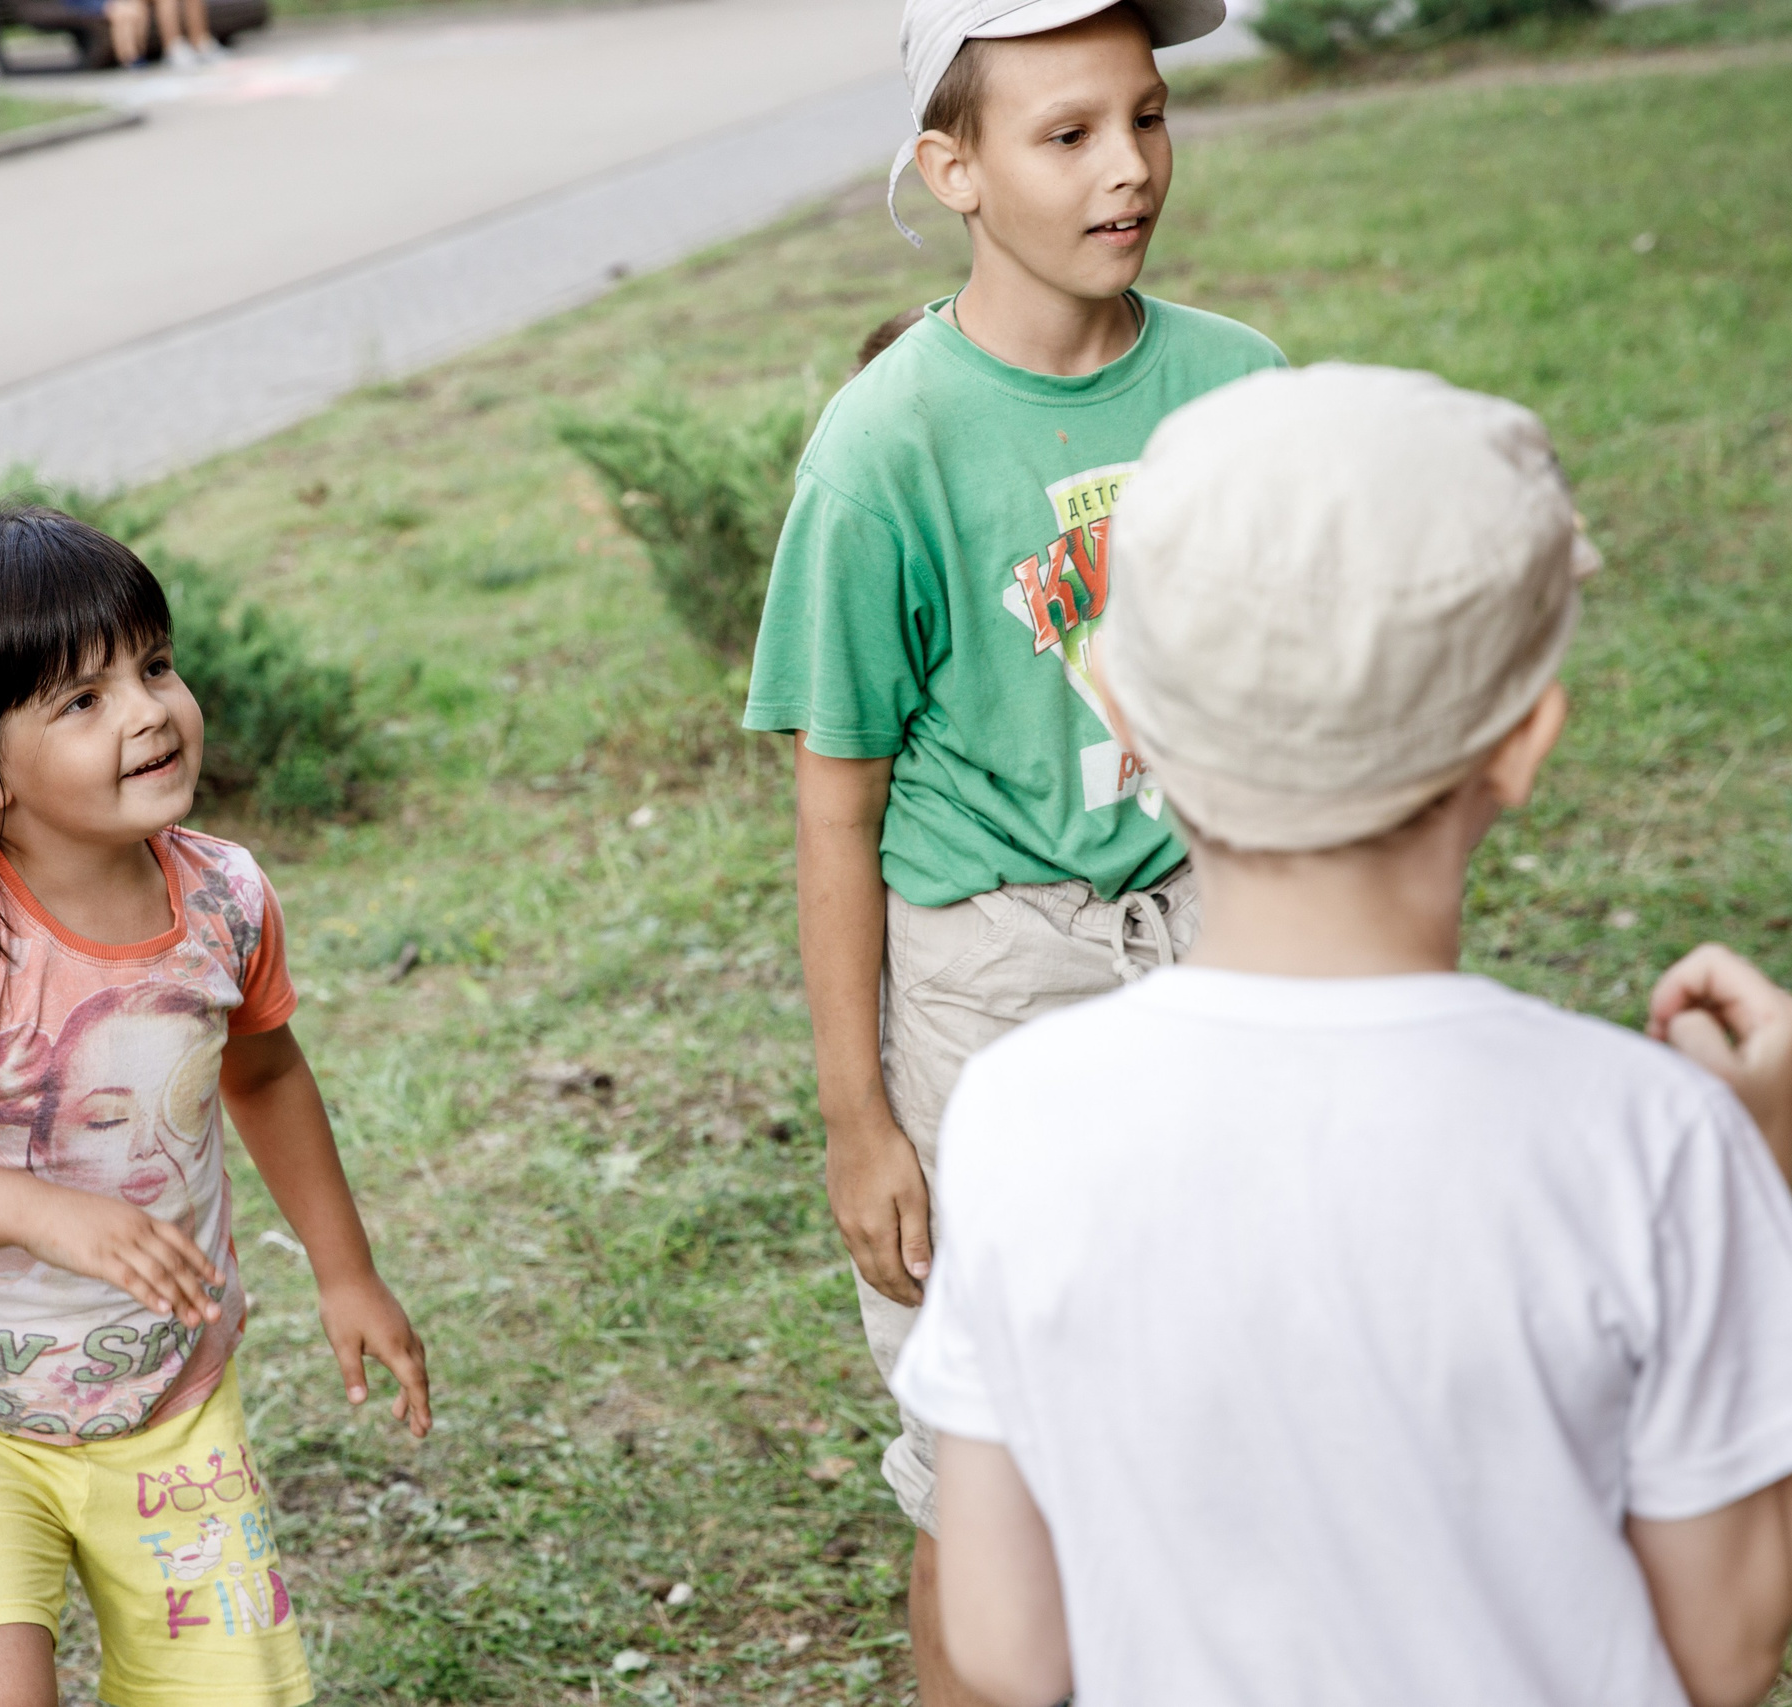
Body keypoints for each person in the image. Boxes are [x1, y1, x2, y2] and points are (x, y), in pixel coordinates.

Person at [892, 363, 1792, 1707]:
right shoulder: (1647, 1135)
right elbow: (1725, 1645)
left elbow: (1004, 1643)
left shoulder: (1019, 1113)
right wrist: (1749, 1169)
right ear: (1523, 743)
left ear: (1134, 722)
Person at [738, 0, 1277, 1693]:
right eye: (1068, 135)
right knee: (997, 1468)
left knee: (1223, 1405)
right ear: (951, 167)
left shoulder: (1244, 385)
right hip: (994, 981)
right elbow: (835, 806)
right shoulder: (882, 449)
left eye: (1149, 116)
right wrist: (860, 1120)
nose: (1130, 169)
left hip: (1219, 931)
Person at [0, 506, 428, 1707]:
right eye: (81, 699)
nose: (146, 712)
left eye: (154, 666)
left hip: (169, 1408)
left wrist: (347, 1274)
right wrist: (40, 1211)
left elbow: (266, 1073)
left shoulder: (226, 899)